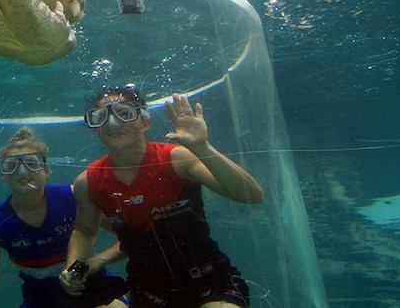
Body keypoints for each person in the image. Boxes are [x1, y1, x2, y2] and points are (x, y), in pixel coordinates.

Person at [60, 85, 264, 308]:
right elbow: (84, 231)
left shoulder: (175, 159)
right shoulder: (89, 181)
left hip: (211, 285)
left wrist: (202, 147)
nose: (113, 122)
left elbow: (252, 195)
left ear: (145, 123)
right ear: (95, 130)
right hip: (148, 292)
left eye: (124, 113)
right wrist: (73, 266)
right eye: (101, 117)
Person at [0, 126, 129, 308]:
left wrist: (97, 261)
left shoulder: (74, 198)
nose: (23, 172)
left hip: (95, 289)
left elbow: (133, 240)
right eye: (11, 166)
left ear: (46, 170)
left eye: (31, 164)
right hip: (41, 300)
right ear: (3, 175)